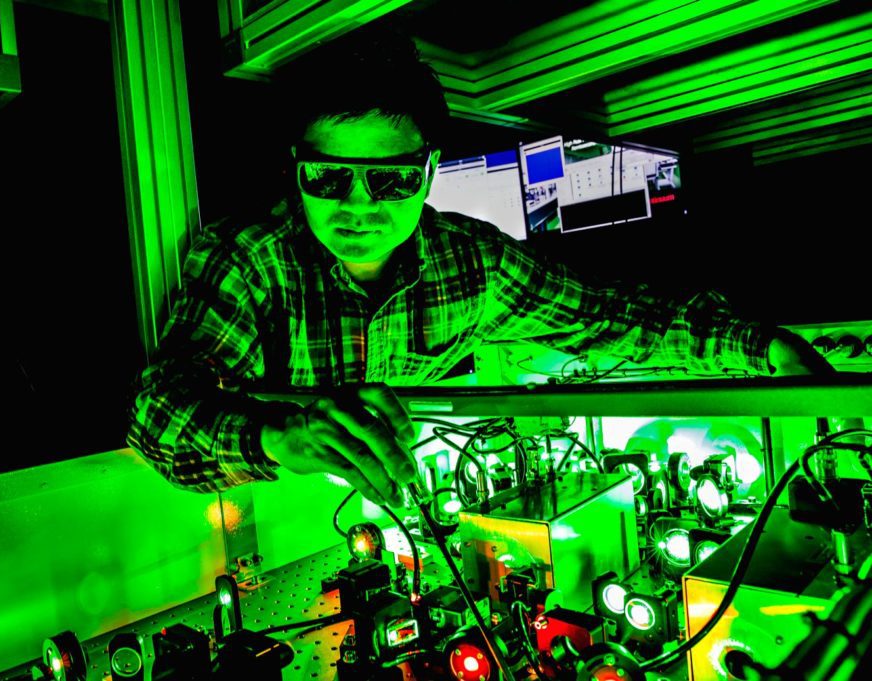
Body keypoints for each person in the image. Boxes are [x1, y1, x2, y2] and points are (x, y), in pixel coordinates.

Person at [126, 26, 830, 508]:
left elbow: (612, 316)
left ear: (430, 170)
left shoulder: (473, 261)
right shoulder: (252, 258)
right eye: (330, 179)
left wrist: (764, 345)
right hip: (269, 509)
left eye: (393, 179)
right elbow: (157, 411)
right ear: (295, 170)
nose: (360, 208)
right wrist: (280, 437)